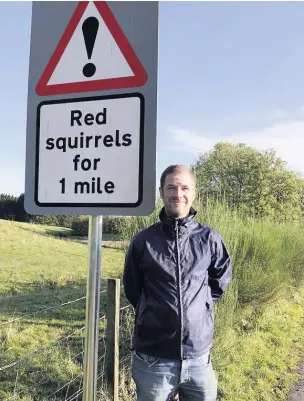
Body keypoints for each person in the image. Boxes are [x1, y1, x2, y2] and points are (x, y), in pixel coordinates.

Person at [123, 164, 232, 401]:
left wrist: (201, 304)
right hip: (153, 359)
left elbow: (220, 279)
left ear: (193, 193)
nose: (177, 193)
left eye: (184, 187)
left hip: (198, 357)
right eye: (171, 187)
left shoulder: (209, 238)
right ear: (161, 192)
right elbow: (132, 288)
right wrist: (152, 312)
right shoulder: (143, 241)